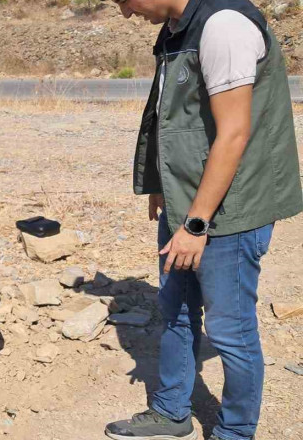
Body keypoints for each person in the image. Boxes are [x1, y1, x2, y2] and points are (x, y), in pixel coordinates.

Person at [105, 1, 302, 440]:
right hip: (187, 202)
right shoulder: (178, 27)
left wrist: (196, 225)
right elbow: (180, 117)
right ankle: (172, 411)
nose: (124, 13)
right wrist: (161, 184)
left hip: (227, 213)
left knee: (230, 331)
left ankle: (234, 432)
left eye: (123, 1)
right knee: (174, 311)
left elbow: (233, 133)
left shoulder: (224, 26)